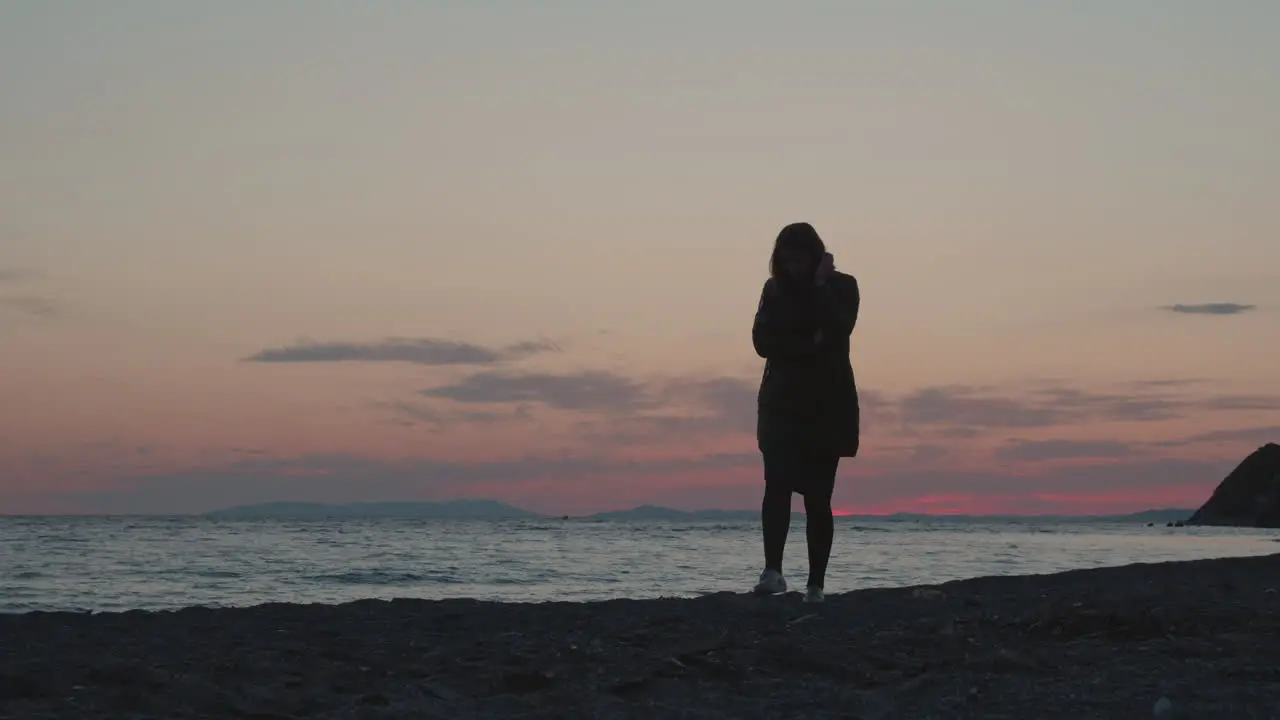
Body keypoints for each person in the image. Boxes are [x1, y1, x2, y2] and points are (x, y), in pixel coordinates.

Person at [750, 222, 860, 603]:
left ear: (814, 257)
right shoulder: (773, 290)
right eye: (786, 261)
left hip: (826, 406)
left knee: (818, 497)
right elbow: (762, 342)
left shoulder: (843, 286)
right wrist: (808, 345)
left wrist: (819, 287)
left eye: (799, 260)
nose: (793, 268)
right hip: (781, 404)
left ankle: (816, 585)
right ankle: (773, 572)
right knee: (776, 486)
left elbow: (839, 327)